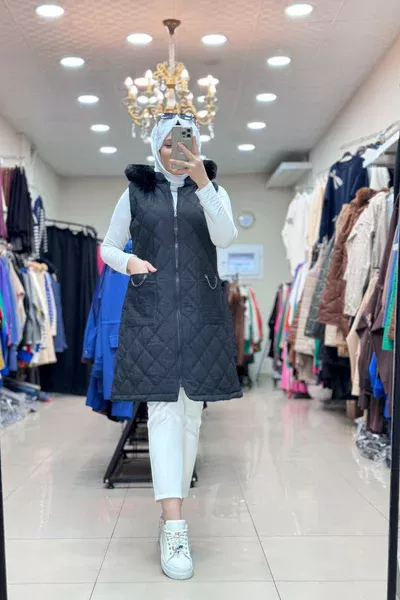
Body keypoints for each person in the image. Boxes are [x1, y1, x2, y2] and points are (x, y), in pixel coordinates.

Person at [101, 114, 242, 580]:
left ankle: (169, 517)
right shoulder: (135, 192)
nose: (180, 152)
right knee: (163, 414)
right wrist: (130, 262)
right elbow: (107, 246)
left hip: (201, 314)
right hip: (153, 313)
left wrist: (204, 183)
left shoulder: (213, 191)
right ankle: (175, 525)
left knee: (191, 417)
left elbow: (226, 237)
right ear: (156, 148)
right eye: (170, 145)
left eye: (188, 143)